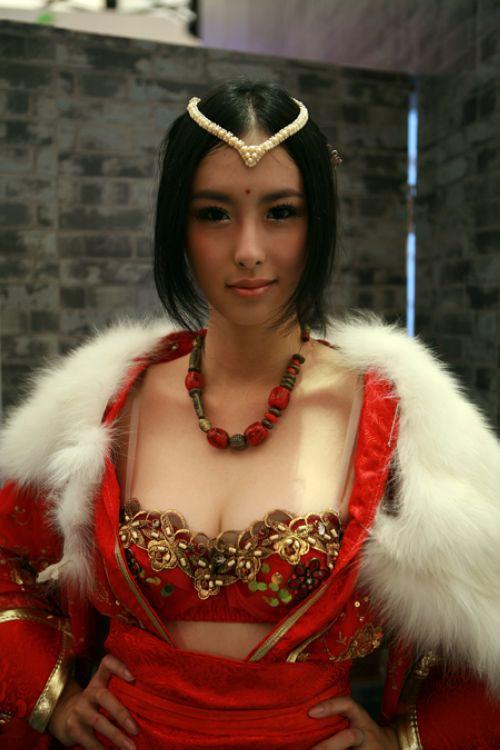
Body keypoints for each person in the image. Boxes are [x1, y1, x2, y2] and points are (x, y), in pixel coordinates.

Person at [0, 78, 498, 750]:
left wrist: (406, 738)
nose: (248, 250)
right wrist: (53, 697)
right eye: (214, 213)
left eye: (281, 212)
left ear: (318, 222)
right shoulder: (105, 405)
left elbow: (483, 616)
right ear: (177, 224)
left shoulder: (402, 420)